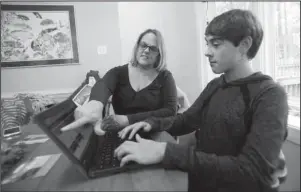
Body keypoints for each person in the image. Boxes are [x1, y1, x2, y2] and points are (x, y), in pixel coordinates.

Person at [115, 9, 288, 192]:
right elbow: (185, 120)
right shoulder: (215, 85)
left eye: (215, 44)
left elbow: (252, 170)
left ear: (244, 45)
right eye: (207, 44)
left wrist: (164, 151)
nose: (207, 52)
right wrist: (150, 123)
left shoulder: (271, 95)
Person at [61, 29, 178, 135]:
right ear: (137, 47)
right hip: (122, 136)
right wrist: (95, 104)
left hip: (154, 136)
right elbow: (103, 85)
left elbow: (170, 111)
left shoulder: (165, 77)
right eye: (143, 45)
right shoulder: (118, 72)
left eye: (153, 48)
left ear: (159, 53)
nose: (146, 50)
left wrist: (127, 119)